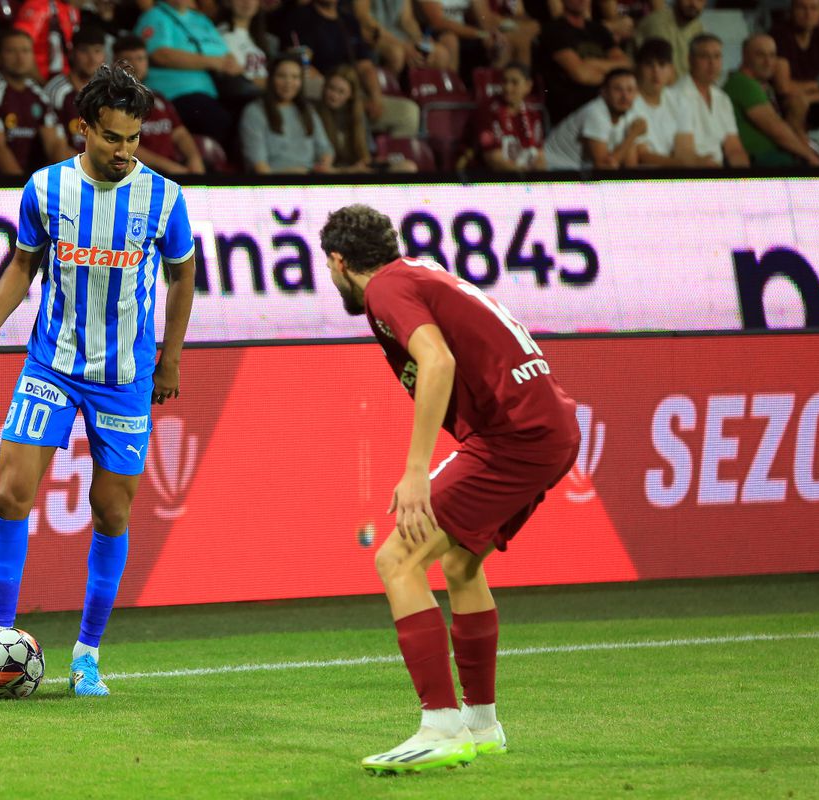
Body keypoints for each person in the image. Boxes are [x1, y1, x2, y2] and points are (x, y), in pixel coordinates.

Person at [0, 62, 197, 698]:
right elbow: (23, 264)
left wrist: (171, 359)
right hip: (51, 363)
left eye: (134, 138)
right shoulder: (44, 189)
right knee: (10, 495)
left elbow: (183, 274)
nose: (125, 151)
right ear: (83, 128)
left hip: (126, 377)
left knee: (111, 511)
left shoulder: (163, 196)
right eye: (113, 137)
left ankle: (87, 655)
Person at [318, 204, 579, 775]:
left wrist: (416, 470)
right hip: (547, 427)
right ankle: (482, 725)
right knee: (460, 564)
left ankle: (440, 726)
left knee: (397, 559)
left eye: (330, 268)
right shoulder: (420, 271)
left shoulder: (386, 289)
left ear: (339, 262)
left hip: (513, 435)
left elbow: (436, 361)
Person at [280, 0, 420, 137]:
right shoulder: (300, 18)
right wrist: (336, 90)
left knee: (408, 113)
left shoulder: (349, 21)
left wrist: (375, 98)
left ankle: (386, 156)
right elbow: (301, 65)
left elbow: (365, 66)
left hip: (353, 94)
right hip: (322, 93)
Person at [133, 0, 240, 142]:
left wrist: (230, 64)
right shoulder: (154, 16)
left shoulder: (201, 19)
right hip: (173, 93)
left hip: (210, 92)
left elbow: (226, 53)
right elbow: (161, 54)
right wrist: (213, 62)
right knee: (217, 120)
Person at [0, 30, 72, 175]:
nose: (20, 58)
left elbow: (54, 144)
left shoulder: (38, 94)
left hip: (31, 179)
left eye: (25, 51)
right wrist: (20, 186)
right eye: (11, 51)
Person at [723, 33, 819, 167]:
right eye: (760, 55)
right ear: (745, 56)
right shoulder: (743, 83)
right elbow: (776, 130)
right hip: (762, 163)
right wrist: (810, 157)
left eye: (772, 55)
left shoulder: (761, 85)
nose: (768, 62)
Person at [115, 34, 208, 173]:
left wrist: (194, 158)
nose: (135, 65)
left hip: (173, 174)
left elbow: (180, 133)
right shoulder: (111, 102)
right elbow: (123, 147)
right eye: (128, 60)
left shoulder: (158, 98)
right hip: (136, 178)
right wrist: (171, 168)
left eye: (140, 58)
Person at [538, 0, 630, 126]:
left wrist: (591, 63)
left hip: (607, 106)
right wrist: (612, 74)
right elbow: (581, 74)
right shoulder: (554, 30)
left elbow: (626, 64)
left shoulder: (598, 29)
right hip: (573, 112)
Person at [240, 54, 335, 172]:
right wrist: (293, 174)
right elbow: (259, 166)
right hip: (275, 184)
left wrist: (324, 165)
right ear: (271, 79)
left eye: (295, 77)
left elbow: (325, 149)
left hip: (311, 181)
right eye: (282, 76)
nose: (288, 82)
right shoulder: (254, 112)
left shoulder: (307, 110)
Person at [770, 0, 819, 135]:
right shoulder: (780, 35)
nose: (808, 14)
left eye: (813, 8)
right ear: (792, 11)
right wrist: (815, 85)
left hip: (811, 98)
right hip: (779, 101)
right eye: (802, 8)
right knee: (797, 102)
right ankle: (799, 153)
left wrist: (811, 97)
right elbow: (783, 87)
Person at [544, 67, 647, 169]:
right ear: (604, 92)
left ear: (637, 93)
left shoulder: (628, 113)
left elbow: (630, 166)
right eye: (617, 89)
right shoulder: (595, 112)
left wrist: (631, 137)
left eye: (630, 90)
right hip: (552, 171)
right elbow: (604, 167)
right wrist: (632, 135)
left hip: (578, 174)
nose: (625, 96)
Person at [673, 33, 748, 167]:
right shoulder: (677, 95)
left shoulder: (722, 98)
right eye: (704, 56)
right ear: (690, 60)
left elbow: (734, 148)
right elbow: (684, 153)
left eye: (717, 56)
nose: (712, 63)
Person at [633, 37, 708, 167]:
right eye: (649, 64)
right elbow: (642, 156)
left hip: (674, 174)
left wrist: (701, 164)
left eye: (662, 65)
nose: (656, 71)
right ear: (637, 69)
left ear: (671, 70)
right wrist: (684, 166)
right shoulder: (627, 101)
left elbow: (684, 150)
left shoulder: (679, 101)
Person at [469, 61, 546, 171]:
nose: (507, 88)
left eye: (514, 83)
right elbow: (493, 158)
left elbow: (540, 157)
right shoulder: (487, 112)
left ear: (528, 86)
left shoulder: (533, 115)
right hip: (493, 180)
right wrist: (523, 179)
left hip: (525, 179)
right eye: (504, 81)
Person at [44, 24, 110, 152]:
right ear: (72, 54)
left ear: (104, 56)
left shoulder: (109, 91)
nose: (91, 59)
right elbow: (55, 149)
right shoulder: (56, 91)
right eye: (84, 51)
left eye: (97, 51)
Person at [354, 0, 452, 75]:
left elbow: (407, 20)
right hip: (373, 34)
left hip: (398, 33)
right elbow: (363, 17)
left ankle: (427, 94)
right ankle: (390, 92)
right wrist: (404, 46)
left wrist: (420, 39)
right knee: (396, 54)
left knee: (441, 54)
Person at [217, 0, 278, 92]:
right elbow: (231, 71)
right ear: (228, 2)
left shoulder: (267, 40)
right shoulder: (219, 34)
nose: (247, 2)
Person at [634, 0, 702, 79]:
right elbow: (661, 75)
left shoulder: (697, 27)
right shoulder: (657, 23)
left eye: (700, 0)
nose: (694, 4)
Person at [14, 0, 82, 79]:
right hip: (38, 80)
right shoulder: (38, 5)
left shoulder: (73, 9)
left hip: (63, 81)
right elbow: (19, 46)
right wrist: (43, 84)